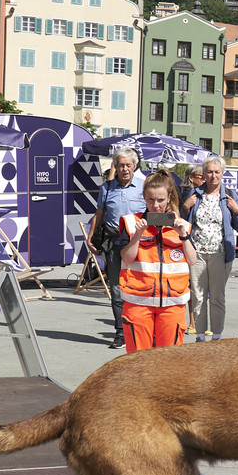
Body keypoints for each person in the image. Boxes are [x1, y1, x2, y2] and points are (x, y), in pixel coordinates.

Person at [118, 170, 196, 351]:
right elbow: (127, 258)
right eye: (151, 200)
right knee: (138, 360)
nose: (156, 206)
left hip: (172, 303)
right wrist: (137, 235)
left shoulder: (183, 225)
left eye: (160, 200)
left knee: (169, 361)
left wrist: (183, 236)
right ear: (144, 197)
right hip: (138, 302)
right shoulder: (131, 223)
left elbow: (192, 260)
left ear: (169, 198)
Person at [181, 157, 238, 342]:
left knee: (217, 297)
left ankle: (216, 337)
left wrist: (236, 211)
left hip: (220, 253)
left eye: (217, 172)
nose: (213, 176)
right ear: (204, 174)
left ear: (222, 174)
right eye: (209, 172)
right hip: (197, 253)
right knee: (198, 296)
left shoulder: (230, 195)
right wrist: (185, 208)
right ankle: (200, 336)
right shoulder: (194, 194)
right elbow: (182, 222)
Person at [89, 147, 145, 349]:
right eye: (121, 165)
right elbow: (99, 214)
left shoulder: (144, 186)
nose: (125, 169)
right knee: (116, 288)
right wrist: (90, 237)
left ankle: (141, 328)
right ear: (115, 166)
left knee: (141, 286)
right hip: (113, 243)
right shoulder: (106, 188)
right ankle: (121, 332)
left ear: (135, 166)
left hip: (138, 243)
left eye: (128, 165)